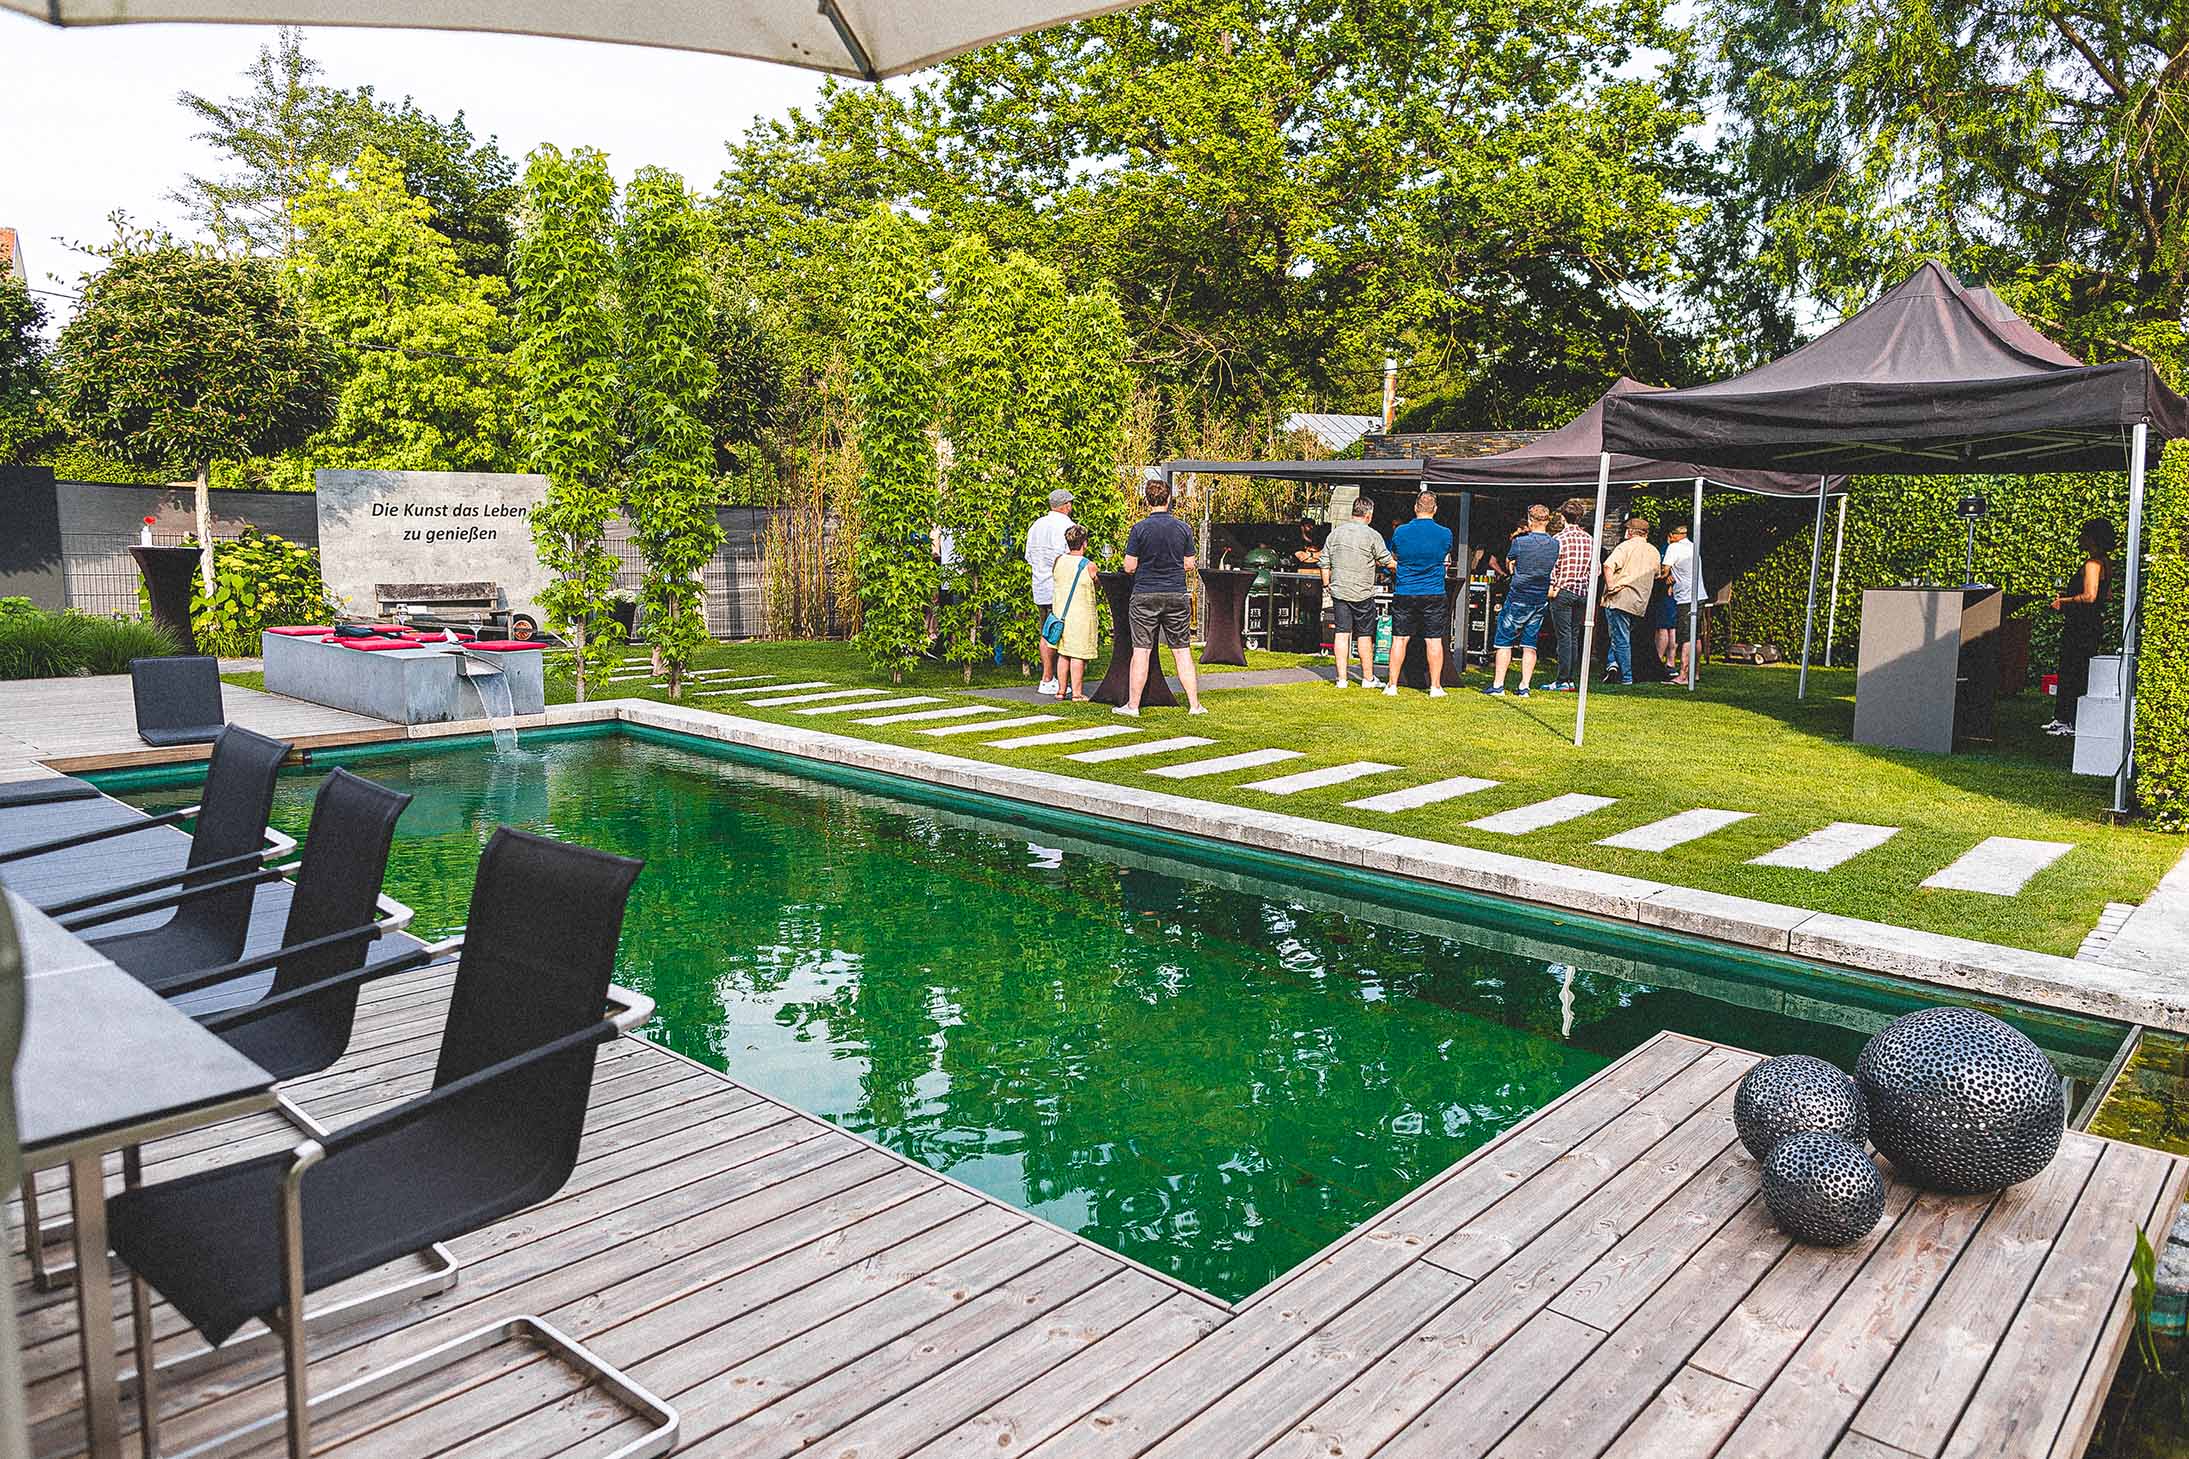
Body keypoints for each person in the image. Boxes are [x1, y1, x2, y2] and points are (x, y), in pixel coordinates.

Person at [1117, 476, 1207, 717]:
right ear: (1169, 499)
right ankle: (1194, 705)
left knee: (1141, 650)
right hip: (1176, 593)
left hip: (1145, 594)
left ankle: (1133, 706)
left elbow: (1129, 566)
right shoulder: (1183, 528)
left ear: (1147, 501)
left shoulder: (1139, 529)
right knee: (1182, 650)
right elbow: (1189, 564)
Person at [2046, 518, 2118, 735]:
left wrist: (2064, 601)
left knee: (2071, 669)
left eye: (2084, 535)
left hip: (2080, 625)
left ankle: (2066, 719)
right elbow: (2107, 595)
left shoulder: (2092, 564)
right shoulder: (2106, 563)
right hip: (2092, 623)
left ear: (2092, 538)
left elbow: (2089, 596)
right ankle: (2071, 717)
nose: (2080, 539)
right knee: (2080, 670)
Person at [1483, 504, 1558, 697]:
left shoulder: (1520, 542)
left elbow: (1510, 564)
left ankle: (1498, 685)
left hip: (1518, 596)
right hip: (1539, 598)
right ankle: (1524, 686)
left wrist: (1514, 567)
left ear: (1530, 520)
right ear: (1548, 521)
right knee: (1530, 644)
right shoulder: (1555, 544)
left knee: (1504, 641)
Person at [1321, 496, 1395, 689]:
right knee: (1364, 635)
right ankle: (1368, 678)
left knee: (1341, 633)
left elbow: (1324, 562)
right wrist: (1407, 568)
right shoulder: (1372, 535)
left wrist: (1327, 584)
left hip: (1339, 591)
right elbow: (1387, 561)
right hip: (1363, 593)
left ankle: (1341, 679)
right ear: (1369, 514)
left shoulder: (1335, 534)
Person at [1386, 491, 1455, 697]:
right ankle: (1435, 687)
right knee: (1433, 640)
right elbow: (1445, 555)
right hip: (1433, 591)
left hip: (1405, 590)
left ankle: (1392, 685)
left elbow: (1395, 555)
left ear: (1415, 507)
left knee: (1399, 639)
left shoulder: (1400, 532)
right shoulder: (1445, 533)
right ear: (1435, 509)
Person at [1541, 498, 1596, 692]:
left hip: (1563, 591)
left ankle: (1563, 679)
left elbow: (1552, 566)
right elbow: (1596, 569)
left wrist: (1552, 586)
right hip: (1582, 592)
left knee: (1564, 637)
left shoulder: (1558, 539)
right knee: (1573, 635)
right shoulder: (1590, 539)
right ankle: (1570, 678)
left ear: (1563, 517)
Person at [1025, 488, 1075, 696]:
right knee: (1063, 634)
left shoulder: (1037, 525)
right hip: (1061, 588)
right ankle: (1056, 680)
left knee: (1046, 632)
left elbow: (1028, 556)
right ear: (1066, 505)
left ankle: (1047, 677)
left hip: (1040, 586)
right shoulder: (1067, 526)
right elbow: (1070, 557)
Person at [1600, 515, 1661, 685]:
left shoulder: (1624, 547)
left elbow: (1608, 565)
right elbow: (1657, 574)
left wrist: (1610, 586)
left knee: (1620, 639)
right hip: (1639, 602)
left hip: (1619, 598)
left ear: (1631, 532)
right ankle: (1612, 665)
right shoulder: (1654, 551)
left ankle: (1626, 677)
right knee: (1621, 636)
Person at [1051, 524, 1100, 703]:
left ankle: (1061, 691)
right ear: (1084, 543)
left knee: (1063, 653)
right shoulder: (1089, 565)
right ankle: (1077, 693)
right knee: (1077, 654)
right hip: (1080, 615)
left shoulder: (1058, 561)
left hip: (1060, 614)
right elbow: (1097, 584)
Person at [1658, 521, 1705, 685]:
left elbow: (1664, 571)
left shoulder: (1674, 547)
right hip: (1699, 595)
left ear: (1673, 535)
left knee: (1686, 637)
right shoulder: (1693, 546)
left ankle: (1683, 676)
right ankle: (1695, 673)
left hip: (1685, 597)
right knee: (1695, 635)